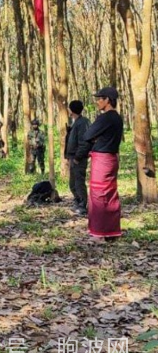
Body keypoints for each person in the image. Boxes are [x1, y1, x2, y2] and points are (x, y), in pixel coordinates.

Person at [75, 88, 124, 241]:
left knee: (98, 195)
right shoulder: (117, 117)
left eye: (99, 99)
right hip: (112, 158)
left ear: (107, 100)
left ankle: (99, 233)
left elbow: (87, 135)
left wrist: (96, 138)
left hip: (102, 160)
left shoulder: (105, 118)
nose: (97, 102)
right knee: (110, 194)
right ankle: (111, 231)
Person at [65, 100, 91, 217]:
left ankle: (83, 205)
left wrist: (77, 157)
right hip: (72, 157)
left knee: (79, 182)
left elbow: (84, 142)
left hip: (78, 158)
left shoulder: (83, 123)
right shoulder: (76, 122)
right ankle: (77, 201)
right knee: (73, 183)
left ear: (71, 110)